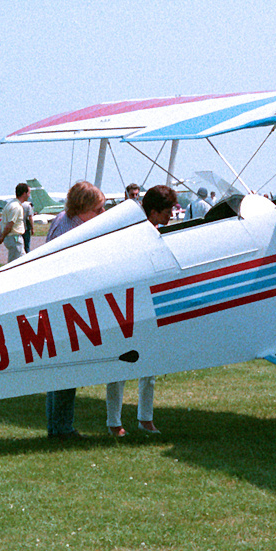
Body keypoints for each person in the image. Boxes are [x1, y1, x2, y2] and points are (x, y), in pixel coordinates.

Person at [105, 185, 177, 436]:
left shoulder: (159, 233)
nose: (170, 216)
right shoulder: (132, 235)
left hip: (150, 306)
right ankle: (114, 422)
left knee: (150, 368)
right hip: (126, 307)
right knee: (119, 367)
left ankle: (145, 418)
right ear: (154, 211)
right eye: (167, 211)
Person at [44, 181, 106, 440]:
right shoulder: (70, 230)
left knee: (61, 375)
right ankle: (61, 428)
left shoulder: (63, 220)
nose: (101, 214)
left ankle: (59, 426)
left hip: (59, 304)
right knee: (65, 373)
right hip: (63, 307)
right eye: (98, 209)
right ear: (83, 208)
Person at [0, 182, 30, 263]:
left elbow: (3, 223)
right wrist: (1, 238)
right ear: (24, 193)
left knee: (24, 262)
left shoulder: (10, 204)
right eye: (28, 193)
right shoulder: (16, 207)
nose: (29, 195)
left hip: (13, 238)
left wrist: (1, 237)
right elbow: (10, 224)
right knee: (14, 264)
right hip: (14, 238)